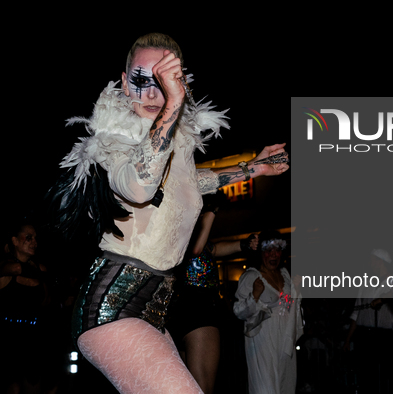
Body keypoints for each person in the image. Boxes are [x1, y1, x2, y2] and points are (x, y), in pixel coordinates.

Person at [48, 32, 289, 394]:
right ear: (125, 81)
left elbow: (191, 183)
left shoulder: (177, 142)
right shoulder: (114, 136)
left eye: (162, 82)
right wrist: (173, 102)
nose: (149, 94)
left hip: (155, 309)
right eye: (141, 81)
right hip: (112, 306)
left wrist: (251, 169)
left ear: (181, 82)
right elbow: (139, 186)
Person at [166, 192, 258, 394]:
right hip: (197, 309)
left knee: (185, 388)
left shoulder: (184, 232)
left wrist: (243, 244)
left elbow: (212, 249)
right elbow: (197, 250)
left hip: (182, 310)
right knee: (201, 389)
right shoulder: (178, 233)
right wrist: (212, 209)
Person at [234, 230, 303, 394]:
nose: (273, 255)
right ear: (261, 252)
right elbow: (239, 311)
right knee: (266, 389)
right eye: (268, 250)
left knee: (286, 387)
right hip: (262, 344)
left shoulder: (285, 275)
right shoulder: (251, 277)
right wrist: (254, 297)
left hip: (285, 343)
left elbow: (292, 307)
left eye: (277, 250)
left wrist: (296, 291)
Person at [0, 220, 54, 393]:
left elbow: (46, 301)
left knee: (34, 385)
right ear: (15, 241)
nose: (34, 242)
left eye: (35, 238)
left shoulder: (40, 268)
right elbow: (15, 268)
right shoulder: (6, 265)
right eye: (28, 238)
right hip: (8, 334)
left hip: (33, 334)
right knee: (12, 386)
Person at [343, 249, 393, 394]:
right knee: (366, 377)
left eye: (373, 260)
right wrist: (348, 340)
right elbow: (356, 313)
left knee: (383, 377)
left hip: (384, 337)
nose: (370, 263)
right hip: (364, 336)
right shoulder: (365, 284)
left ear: (380, 261)